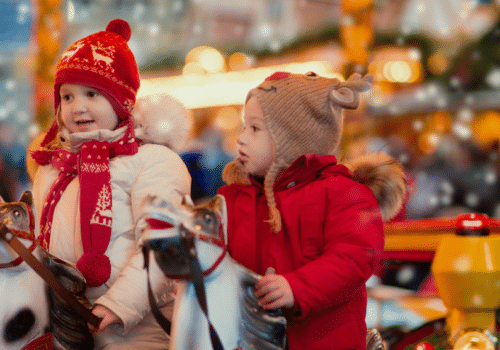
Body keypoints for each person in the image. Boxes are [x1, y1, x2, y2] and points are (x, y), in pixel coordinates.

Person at [29, 19, 190, 349]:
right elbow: (37, 242)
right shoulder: (52, 168)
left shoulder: (154, 161)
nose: (78, 107)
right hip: (60, 317)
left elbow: (163, 249)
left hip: (137, 324)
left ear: (122, 102)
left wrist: (119, 305)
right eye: (68, 96)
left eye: (92, 94)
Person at [217, 71, 406, 349]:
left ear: (291, 138)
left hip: (321, 341)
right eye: (244, 128)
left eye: (255, 129)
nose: (241, 139)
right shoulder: (234, 197)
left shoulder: (343, 194)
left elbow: (354, 257)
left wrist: (297, 287)